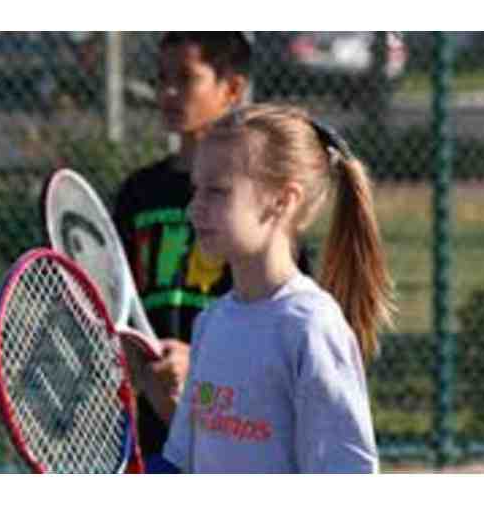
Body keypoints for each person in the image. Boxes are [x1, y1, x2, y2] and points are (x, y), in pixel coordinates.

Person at [161, 104, 396, 473]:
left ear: (283, 201)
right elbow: (181, 463)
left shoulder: (310, 326)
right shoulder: (211, 322)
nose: (194, 208)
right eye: (196, 189)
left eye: (217, 191)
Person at [113, 33, 314, 460]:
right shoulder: (138, 193)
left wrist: (203, 364)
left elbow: (286, 326)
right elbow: (113, 295)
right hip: (147, 434)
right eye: (162, 78)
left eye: (186, 79)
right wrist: (136, 364)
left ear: (232, 88)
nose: (168, 92)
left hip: (238, 429)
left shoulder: (256, 200)